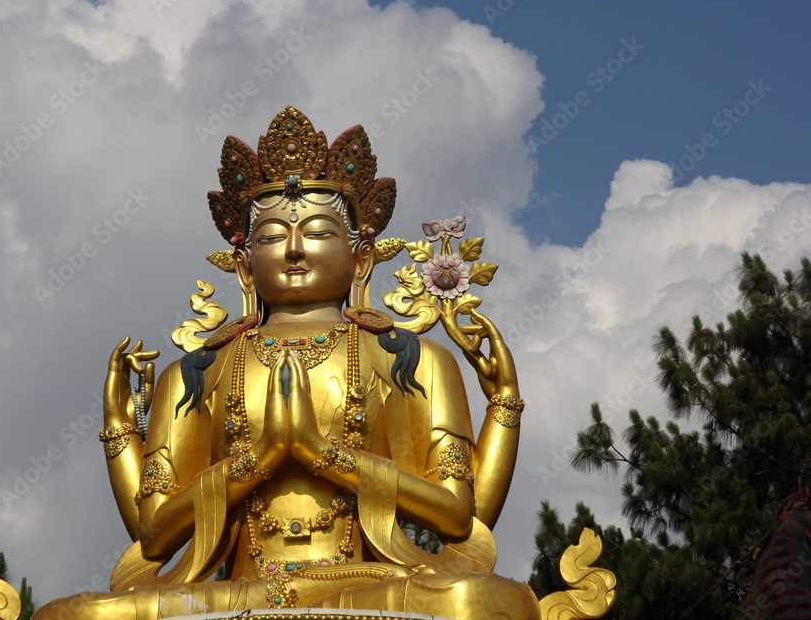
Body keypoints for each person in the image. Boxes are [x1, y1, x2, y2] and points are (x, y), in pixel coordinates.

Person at [34, 107, 542, 618]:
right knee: (73, 614)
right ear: (243, 265)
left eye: (319, 232)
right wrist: (253, 454)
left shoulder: (412, 359)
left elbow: (457, 516)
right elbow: (155, 532)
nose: (294, 250)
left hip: (366, 582)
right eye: (272, 237)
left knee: (483, 600)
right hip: (237, 591)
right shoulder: (196, 372)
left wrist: (320, 451)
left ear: (361, 259)